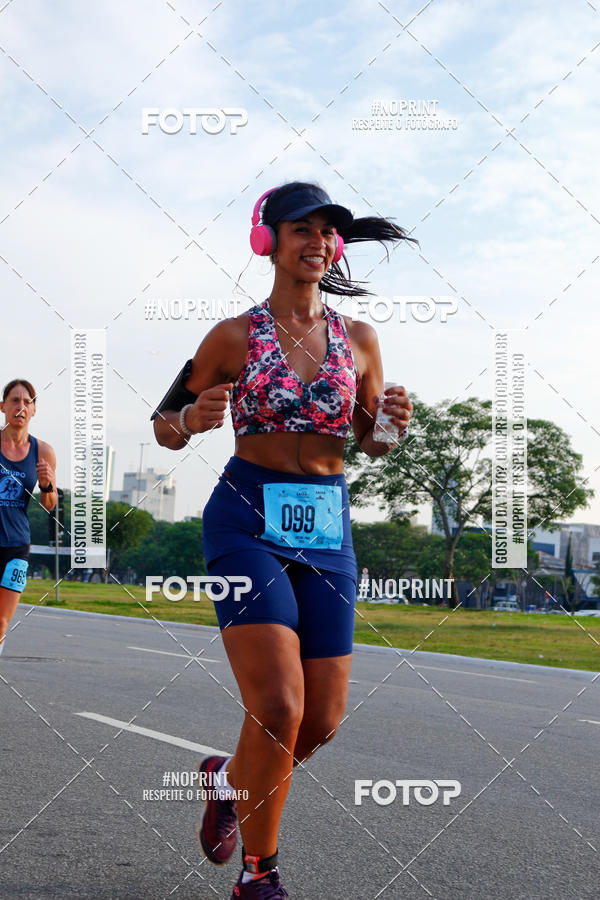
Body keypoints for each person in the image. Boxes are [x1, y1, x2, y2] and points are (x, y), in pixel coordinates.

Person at [152, 182, 415, 898]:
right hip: (246, 521)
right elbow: (164, 425)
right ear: (266, 240)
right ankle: (258, 875)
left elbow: (372, 441)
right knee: (278, 708)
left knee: (322, 721)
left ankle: (227, 782)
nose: (319, 243)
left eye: (329, 232)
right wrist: (195, 418)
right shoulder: (234, 336)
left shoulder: (359, 340)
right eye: (302, 229)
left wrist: (390, 423)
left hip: (327, 527)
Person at [0, 379, 57, 656]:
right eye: (14, 400)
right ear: (3, 407)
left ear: (34, 410)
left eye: (27, 402)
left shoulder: (43, 451)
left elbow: (49, 505)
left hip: (16, 547)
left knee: (0, 623)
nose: (21, 407)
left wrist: (47, 485)